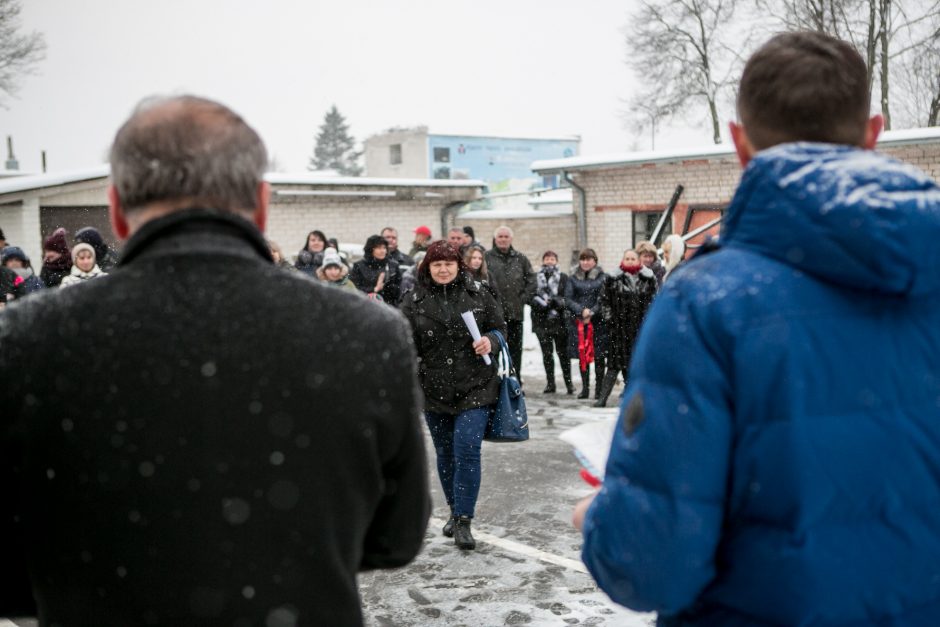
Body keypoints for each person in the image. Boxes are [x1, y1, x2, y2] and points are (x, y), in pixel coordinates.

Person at [0, 95, 429, 626]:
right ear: (262, 204)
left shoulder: (26, 341)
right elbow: (396, 537)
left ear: (116, 211)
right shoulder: (366, 334)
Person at [575, 32, 940, 624]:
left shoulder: (707, 300)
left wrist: (599, 520)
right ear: (874, 132)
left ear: (739, 142)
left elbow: (651, 565)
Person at [400, 241, 507, 552]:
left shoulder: (479, 293)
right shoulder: (413, 300)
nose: (443, 269)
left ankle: (463, 519)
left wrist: (490, 341)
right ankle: (453, 509)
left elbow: (500, 329)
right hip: (433, 389)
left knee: (467, 448)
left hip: (476, 385)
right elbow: (402, 339)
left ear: (459, 265)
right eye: (437, 265)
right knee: (445, 453)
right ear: (427, 269)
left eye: (448, 263)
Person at [592, 249, 657, 407]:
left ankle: (633, 399)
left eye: (633, 258)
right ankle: (602, 399)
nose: (629, 261)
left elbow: (655, 301)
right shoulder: (612, 278)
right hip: (618, 329)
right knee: (613, 366)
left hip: (639, 329)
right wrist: (609, 320)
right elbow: (604, 301)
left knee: (634, 365)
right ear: (622, 260)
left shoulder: (648, 279)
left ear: (638, 261)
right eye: (627, 258)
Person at [484, 226, 536, 384]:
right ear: (495, 238)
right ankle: (493, 383)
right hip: (493, 315)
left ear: (511, 239)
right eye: (500, 236)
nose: (503, 239)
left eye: (506, 236)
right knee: (493, 349)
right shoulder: (486, 258)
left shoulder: (521, 258)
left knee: (515, 351)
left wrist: (523, 299)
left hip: (515, 314)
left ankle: (515, 380)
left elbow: (532, 281)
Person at [564, 248, 607, 400]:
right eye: (583, 259)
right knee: (583, 355)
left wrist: (592, 312)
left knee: (599, 356)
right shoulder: (573, 278)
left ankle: (599, 388)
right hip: (579, 322)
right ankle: (585, 388)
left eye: (589, 259)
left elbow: (603, 298)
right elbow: (568, 299)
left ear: (595, 261)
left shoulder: (603, 277)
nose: (585, 262)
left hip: (598, 323)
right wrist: (582, 311)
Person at [531, 250, 573, 394]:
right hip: (542, 322)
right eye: (547, 258)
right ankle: (551, 383)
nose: (549, 261)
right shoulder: (536, 277)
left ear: (557, 261)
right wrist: (540, 303)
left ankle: (569, 384)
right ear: (543, 260)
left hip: (559, 321)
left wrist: (557, 302)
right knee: (547, 355)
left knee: (563, 354)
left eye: (552, 258)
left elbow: (567, 297)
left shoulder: (563, 277)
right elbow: (531, 295)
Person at [350, 234, 403, 305]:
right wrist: (374, 289)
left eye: (384, 248)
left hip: (389, 306)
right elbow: (354, 289)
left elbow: (400, 289)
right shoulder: (359, 266)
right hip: (365, 305)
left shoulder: (393, 265)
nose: (382, 251)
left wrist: (388, 287)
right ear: (370, 249)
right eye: (379, 248)